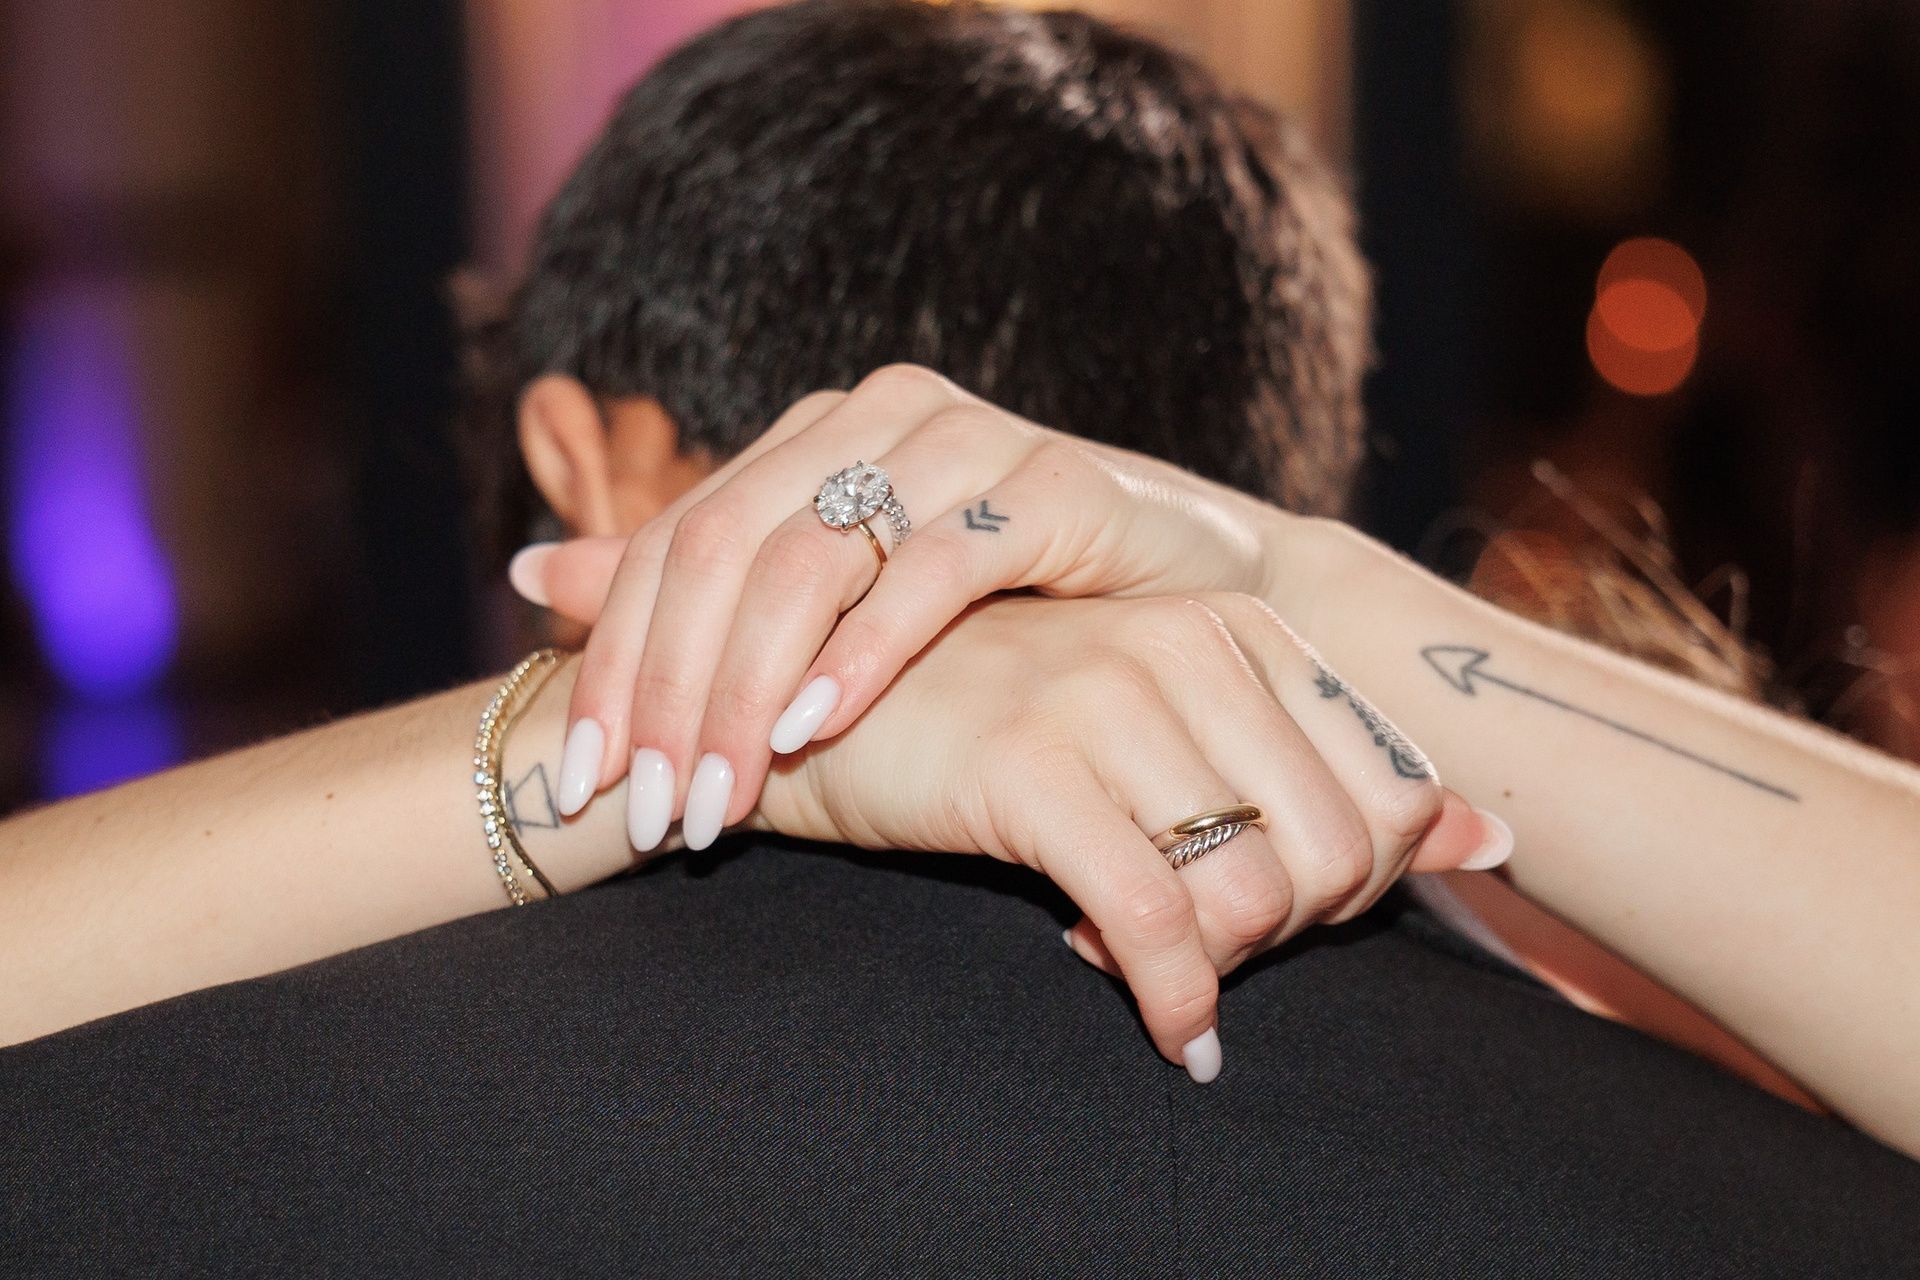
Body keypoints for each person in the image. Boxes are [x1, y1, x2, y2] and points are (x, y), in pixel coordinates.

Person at [4, 2, 1918, 1272]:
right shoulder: (1778, 1202)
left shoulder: (178, 1149)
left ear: (579, 461)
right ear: (1287, 451)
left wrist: (624, 735)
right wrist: (1299, 591)